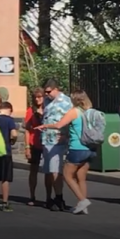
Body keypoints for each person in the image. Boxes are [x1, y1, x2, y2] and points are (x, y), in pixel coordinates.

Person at [39, 90, 97, 214]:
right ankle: (83, 207)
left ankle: (83, 200)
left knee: (67, 175)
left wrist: (45, 126)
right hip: (90, 148)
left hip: (77, 147)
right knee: (81, 177)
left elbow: (59, 125)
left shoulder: (74, 111)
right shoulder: (90, 112)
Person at [40, 78, 73, 211]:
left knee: (56, 171)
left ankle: (59, 197)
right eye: (45, 92)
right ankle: (49, 197)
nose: (46, 95)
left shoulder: (66, 102)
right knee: (48, 170)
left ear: (55, 89)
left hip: (58, 140)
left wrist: (66, 134)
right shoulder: (47, 101)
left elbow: (71, 119)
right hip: (46, 139)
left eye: (48, 92)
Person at [23, 87, 45, 206]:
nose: (37, 99)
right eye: (35, 97)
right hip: (34, 143)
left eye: (40, 97)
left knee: (49, 171)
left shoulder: (49, 110)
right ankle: (32, 195)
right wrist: (27, 147)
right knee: (33, 170)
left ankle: (49, 196)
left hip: (46, 143)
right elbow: (27, 130)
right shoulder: (30, 111)